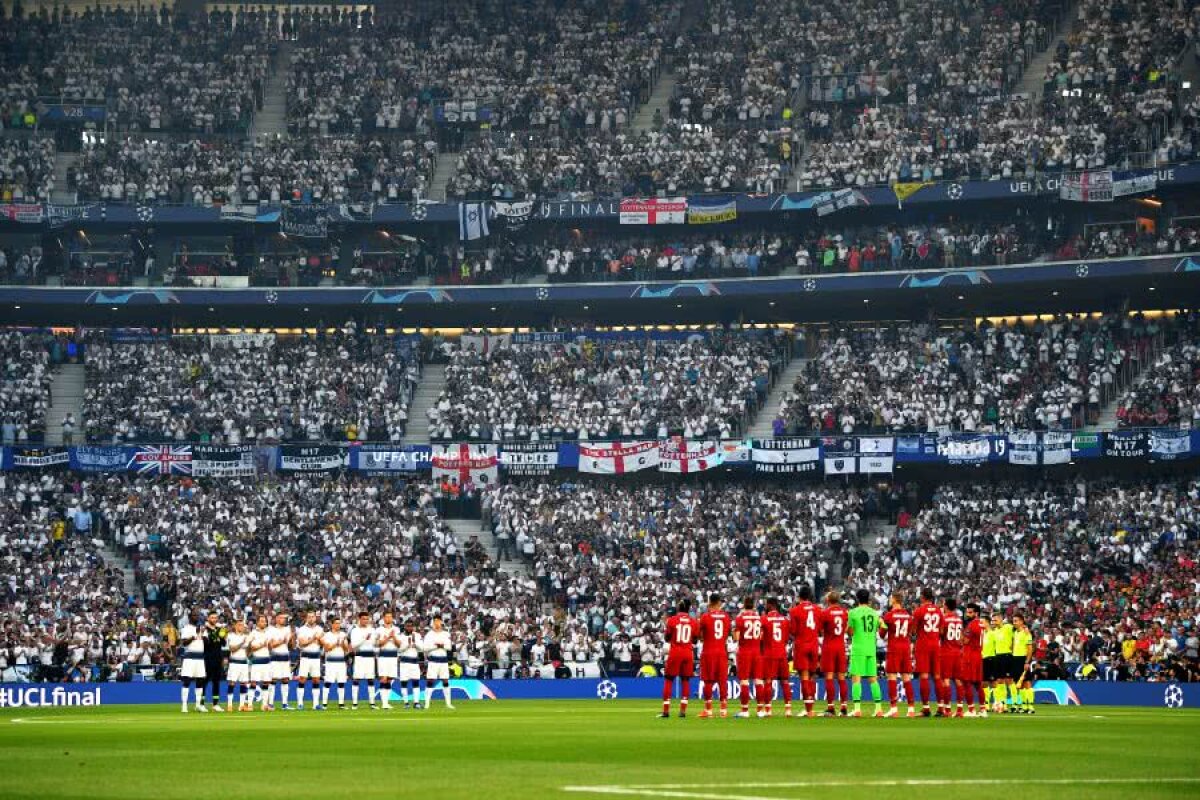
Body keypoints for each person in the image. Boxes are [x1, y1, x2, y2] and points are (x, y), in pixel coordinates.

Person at [847, 589, 884, 718]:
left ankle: (857, 709)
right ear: (868, 599)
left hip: (858, 649)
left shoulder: (853, 612)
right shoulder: (875, 613)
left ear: (857, 599)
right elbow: (883, 627)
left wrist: (850, 630)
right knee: (873, 679)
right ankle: (878, 709)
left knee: (856, 679)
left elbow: (850, 632)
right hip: (871, 649)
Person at [661, 598, 698, 718]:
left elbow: (667, 638)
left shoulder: (672, 620)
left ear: (679, 607)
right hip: (688, 653)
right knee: (686, 680)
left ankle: (666, 711)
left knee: (668, 679)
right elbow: (695, 640)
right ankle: (683, 711)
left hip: (676, 652)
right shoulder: (693, 622)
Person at [788, 585, 821, 717]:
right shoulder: (818, 609)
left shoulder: (795, 611)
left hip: (801, 645)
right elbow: (819, 628)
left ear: (799, 596)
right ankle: (811, 708)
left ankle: (808, 710)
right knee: (812, 676)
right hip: (814, 645)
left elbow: (793, 631)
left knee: (804, 677)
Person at [880, 594, 916, 717]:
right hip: (905, 648)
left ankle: (894, 709)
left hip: (894, 648)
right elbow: (911, 632)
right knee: (907, 678)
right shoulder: (908, 616)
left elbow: (881, 634)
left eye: (891, 599)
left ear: (894, 600)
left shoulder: (889, 616)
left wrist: (881, 623)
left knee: (892, 677)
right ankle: (911, 709)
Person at [697, 593, 730, 718]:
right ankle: (723, 710)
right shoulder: (726, 617)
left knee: (708, 681)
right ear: (719, 603)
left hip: (708, 652)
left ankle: (709, 710)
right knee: (722, 681)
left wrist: (704, 637)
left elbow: (700, 636)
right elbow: (726, 634)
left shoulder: (705, 617)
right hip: (721, 652)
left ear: (710, 602)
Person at [911, 587, 944, 716]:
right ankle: (941, 708)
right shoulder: (939, 611)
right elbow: (941, 631)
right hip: (936, 645)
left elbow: (913, 631)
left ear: (922, 597)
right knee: (937, 676)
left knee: (924, 676)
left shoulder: (919, 611)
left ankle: (926, 708)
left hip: (923, 645)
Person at [760, 598, 792, 718]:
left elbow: (760, 637)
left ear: (770, 605)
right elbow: (786, 638)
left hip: (769, 654)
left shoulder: (764, 619)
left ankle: (768, 710)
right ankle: (788, 710)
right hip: (782, 653)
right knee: (785, 682)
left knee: (768, 681)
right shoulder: (784, 619)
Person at [732, 596, 763, 718]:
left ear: (744, 605)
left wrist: (734, 632)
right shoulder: (759, 618)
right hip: (757, 651)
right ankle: (760, 710)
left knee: (744, 681)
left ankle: (745, 711)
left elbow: (736, 637)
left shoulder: (740, 618)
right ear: (754, 605)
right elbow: (761, 635)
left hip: (745, 651)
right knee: (758, 680)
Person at [820, 590, 849, 716]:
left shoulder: (825, 613)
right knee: (842, 678)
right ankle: (844, 707)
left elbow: (821, 630)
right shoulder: (844, 612)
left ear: (828, 600)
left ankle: (831, 707)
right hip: (841, 646)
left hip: (829, 646)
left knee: (830, 677)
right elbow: (847, 628)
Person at [178, 611, 208, 713]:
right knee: (187, 681)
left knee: (200, 681)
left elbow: (207, 643)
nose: (196, 617)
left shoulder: (202, 628)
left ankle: (198, 705)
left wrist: (203, 634)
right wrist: (194, 635)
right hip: (189, 657)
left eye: (197, 615)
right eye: (194, 615)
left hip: (200, 658)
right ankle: (184, 705)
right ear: (190, 617)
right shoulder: (186, 628)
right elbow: (184, 643)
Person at [939, 598, 965, 717]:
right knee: (958, 680)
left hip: (946, 652)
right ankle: (960, 709)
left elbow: (941, 633)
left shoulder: (944, 619)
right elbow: (961, 637)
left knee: (946, 680)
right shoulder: (959, 620)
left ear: (946, 606)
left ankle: (948, 709)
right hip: (958, 652)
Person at [960, 604, 986, 717]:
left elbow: (964, 641)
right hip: (978, 656)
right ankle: (983, 709)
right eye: (967, 612)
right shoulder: (982, 625)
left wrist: (960, 632)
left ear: (976, 613)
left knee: (966, 683)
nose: (967, 614)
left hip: (969, 656)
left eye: (970, 612)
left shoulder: (971, 625)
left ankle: (971, 710)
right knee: (978, 684)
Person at [423, 616, 455, 709]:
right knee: (430, 681)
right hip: (433, 660)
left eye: (439, 621)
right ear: (433, 623)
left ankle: (448, 703)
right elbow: (425, 648)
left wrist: (441, 645)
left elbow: (449, 647)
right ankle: (427, 704)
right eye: (435, 621)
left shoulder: (446, 634)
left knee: (445, 680)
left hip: (443, 660)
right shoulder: (429, 634)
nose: (437, 623)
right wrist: (436, 646)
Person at [295, 610, 324, 710]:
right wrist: (313, 638)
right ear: (306, 618)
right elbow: (302, 643)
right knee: (302, 679)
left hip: (316, 657)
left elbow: (322, 644)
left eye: (313, 616)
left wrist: (319, 640)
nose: (311, 618)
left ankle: (315, 704)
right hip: (305, 657)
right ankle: (300, 703)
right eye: (309, 617)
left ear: (315, 618)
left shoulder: (320, 629)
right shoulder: (302, 629)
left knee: (316, 680)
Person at [321, 617, 350, 710]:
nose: (338, 625)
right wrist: (335, 644)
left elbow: (347, 650)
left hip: (341, 662)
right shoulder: (327, 635)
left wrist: (342, 644)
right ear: (332, 624)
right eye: (336, 623)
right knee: (328, 682)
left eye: (339, 623)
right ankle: (324, 704)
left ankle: (341, 704)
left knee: (341, 682)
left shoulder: (343, 634)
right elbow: (326, 649)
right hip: (330, 662)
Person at [350, 611, 378, 709]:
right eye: (364, 619)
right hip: (360, 657)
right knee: (356, 679)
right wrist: (364, 639)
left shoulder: (372, 630)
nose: (366, 621)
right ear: (359, 619)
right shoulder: (355, 630)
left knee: (371, 679)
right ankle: (354, 704)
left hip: (370, 658)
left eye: (367, 619)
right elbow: (353, 645)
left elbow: (374, 644)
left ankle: (372, 703)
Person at [268, 612, 294, 711]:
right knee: (273, 680)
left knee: (285, 680)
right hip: (275, 658)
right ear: (277, 619)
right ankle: (270, 704)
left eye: (285, 618)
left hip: (285, 658)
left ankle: (285, 704)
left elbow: (291, 646)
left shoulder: (287, 629)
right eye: (282, 618)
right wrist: (281, 641)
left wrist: (292, 638)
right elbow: (270, 646)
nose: (284, 620)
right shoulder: (271, 630)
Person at [202, 611, 227, 712]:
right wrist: (216, 634)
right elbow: (207, 643)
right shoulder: (205, 629)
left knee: (216, 682)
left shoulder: (219, 629)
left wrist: (222, 636)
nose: (214, 619)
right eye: (212, 617)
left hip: (218, 658)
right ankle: (201, 703)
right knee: (205, 681)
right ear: (208, 618)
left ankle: (215, 704)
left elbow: (224, 643)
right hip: (208, 658)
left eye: (215, 618)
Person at [247, 615, 273, 711]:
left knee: (266, 683)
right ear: (257, 622)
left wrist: (269, 645)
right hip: (256, 662)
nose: (263, 623)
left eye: (264, 621)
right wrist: (261, 645)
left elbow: (270, 648)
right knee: (253, 683)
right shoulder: (253, 633)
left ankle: (264, 705)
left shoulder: (268, 633)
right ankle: (249, 705)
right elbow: (250, 647)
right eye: (261, 621)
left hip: (266, 662)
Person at [990, 611, 1015, 713]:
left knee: (1009, 681)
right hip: (997, 656)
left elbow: (1017, 635)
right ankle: (1002, 703)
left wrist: (1014, 650)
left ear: (1001, 619)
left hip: (1008, 655)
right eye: (993, 620)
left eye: (995, 620)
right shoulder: (994, 631)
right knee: (999, 681)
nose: (994, 622)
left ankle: (1015, 704)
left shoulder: (1008, 627)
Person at [376, 610, 400, 710]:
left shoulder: (397, 629)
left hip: (393, 656)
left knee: (389, 679)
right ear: (383, 618)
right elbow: (378, 644)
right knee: (383, 678)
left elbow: (399, 644)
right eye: (387, 617)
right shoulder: (379, 630)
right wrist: (387, 639)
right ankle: (384, 703)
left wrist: (393, 637)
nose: (389, 618)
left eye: (390, 617)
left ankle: (386, 702)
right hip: (383, 656)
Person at [225, 619, 251, 712]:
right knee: (232, 683)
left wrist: (249, 649)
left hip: (244, 663)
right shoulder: (231, 636)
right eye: (239, 625)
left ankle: (241, 706)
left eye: (242, 625)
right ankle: (229, 705)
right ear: (235, 626)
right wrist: (242, 643)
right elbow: (232, 649)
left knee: (244, 683)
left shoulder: (246, 636)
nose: (242, 627)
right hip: (234, 663)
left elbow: (248, 651)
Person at [1012, 614, 1035, 714]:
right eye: (1013, 621)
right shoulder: (1015, 633)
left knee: (1027, 683)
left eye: (1016, 621)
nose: (1014, 623)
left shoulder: (1026, 633)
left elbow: (1030, 649)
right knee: (1019, 684)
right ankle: (1023, 705)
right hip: (1015, 659)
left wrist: (1027, 661)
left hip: (1023, 659)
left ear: (1022, 621)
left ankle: (1030, 706)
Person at [399, 619, 422, 709]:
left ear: (413, 627)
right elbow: (399, 650)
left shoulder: (417, 635)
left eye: (411, 626)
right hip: (404, 663)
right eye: (407, 626)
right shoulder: (400, 636)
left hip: (414, 663)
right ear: (405, 626)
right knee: (404, 683)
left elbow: (422, 649)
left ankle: (416, 702)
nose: (409, 628)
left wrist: (415, 643)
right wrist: (407, 646)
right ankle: (406, 703)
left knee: (416, 683)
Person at [981, 614, 998, 711]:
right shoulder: (981, 634)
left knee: (993, 682)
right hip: (982, 659)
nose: (980, 624)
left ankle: (996, 703)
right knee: (984, 683)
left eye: (982, 622)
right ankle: (986, 703)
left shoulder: (993, 633)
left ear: (987, 623)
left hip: (991, 659)